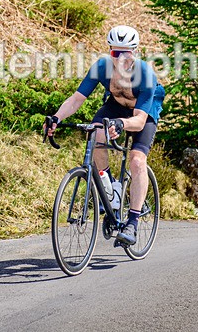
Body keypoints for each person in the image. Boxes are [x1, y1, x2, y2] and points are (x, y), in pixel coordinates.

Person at [45, 25, 165, 246]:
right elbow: (76, 99)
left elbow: (138, 122)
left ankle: (133, 222)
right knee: (95, 131)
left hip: (143, 114)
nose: (120, 59)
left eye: (125, 53)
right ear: (109, 51)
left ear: (135, 52)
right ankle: (110, 186)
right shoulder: (101, 67)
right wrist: (56, 118)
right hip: (116, 106)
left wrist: (121, 123)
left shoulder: (145, 75)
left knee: (137, 160)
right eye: (115, 53)